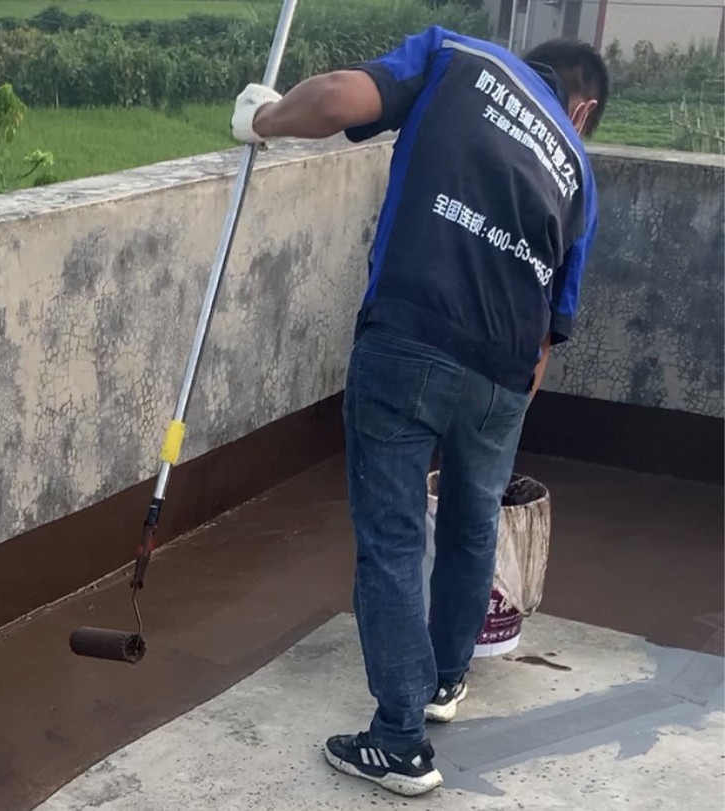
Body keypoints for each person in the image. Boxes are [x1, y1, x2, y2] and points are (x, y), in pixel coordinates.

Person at [230, 28, 609, 797]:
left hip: (411, 335)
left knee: (393, 534)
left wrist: (262, 119)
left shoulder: (456, 56)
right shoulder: (578, 170)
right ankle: (442, 680)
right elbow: (550, 328)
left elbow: (338, 98)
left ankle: (398, 741)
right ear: (584, 106)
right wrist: (499, 414)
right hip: (505, 372)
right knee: (472, 518)